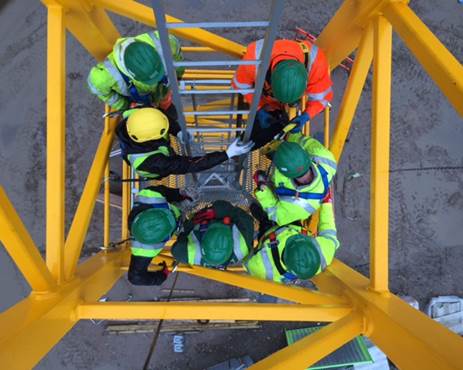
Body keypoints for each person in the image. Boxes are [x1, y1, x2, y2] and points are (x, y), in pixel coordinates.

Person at [232, 38, 333, 144]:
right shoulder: (252, 62)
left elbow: (322, 98)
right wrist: (259, 107)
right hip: (265, 95)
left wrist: (306, 115)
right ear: (269, 78)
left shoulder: (317, 65)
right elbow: (241, 85)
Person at [116, 107, 254, 179]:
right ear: (151, 139)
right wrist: (227, 154)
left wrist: (178, 132)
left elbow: (162, 119)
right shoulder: (151, 162)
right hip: (158, 169)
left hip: (154, 150)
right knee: (176, 164)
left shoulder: (139, 117)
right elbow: (189, 165)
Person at [244, 189, 339, 283]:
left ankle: (255, 209)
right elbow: (328, 227)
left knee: (263, 216)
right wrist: (326, 201)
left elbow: (246, 261)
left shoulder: (262, 267)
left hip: (268, 232)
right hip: (295, 225)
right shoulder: (323, 253)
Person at [253, 132, 336, 226]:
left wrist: (263, 191)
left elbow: (276, 215)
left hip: (277, 189)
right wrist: (289, 135)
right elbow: (304, 141)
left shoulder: (299, 208)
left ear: (284, 174)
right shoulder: (324, 158)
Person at [87, 31, 184, 111]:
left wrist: (178, 77)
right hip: (138, 105)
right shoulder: (103, 77)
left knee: (167, 105)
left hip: (163, 91)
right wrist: (125, 106)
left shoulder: (165, 43)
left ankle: (166, 108)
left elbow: (178, 58)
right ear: (130, 74)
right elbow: (102, 92)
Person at [127, 185, 191, 286]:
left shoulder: (150, 197)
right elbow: (135, 278)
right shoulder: (144, 250)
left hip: (171, 207)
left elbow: (135, 278)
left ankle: (178, 211)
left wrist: (179, 195)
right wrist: (162, 275)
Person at [171, 200, 254, 268]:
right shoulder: (243, 245)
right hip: (228, 222)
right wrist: (219, 210)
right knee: (222, 205)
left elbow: (176, 250)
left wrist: (190, 225)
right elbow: (243, 217)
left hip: (201, 225)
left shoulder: (188, 252)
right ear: (231, 239)